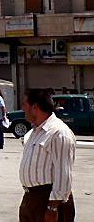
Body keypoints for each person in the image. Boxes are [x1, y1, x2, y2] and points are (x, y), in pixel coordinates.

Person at [18, 88, 76, 221]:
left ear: (35, 107)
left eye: (24, 105)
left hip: (49, 201)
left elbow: (63, 174)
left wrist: (52, 208)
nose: (23, 109)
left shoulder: (58, 133)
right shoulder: (34, 132)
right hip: (31, 198)